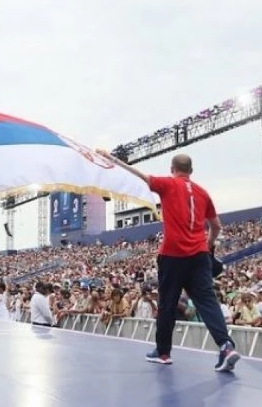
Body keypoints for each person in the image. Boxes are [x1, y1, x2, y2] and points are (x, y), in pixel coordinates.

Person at [96, 151, 241, 372]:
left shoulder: (168, 184)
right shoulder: (203, 193)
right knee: (208, 302)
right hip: (200, 256)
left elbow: (141, 177)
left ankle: (163, 352)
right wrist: (209, 245)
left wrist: (113, 160)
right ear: (191, 171)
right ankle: (225, 345)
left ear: (172, 169)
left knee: (167, 303)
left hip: (173, 255)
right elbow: (216, 226)